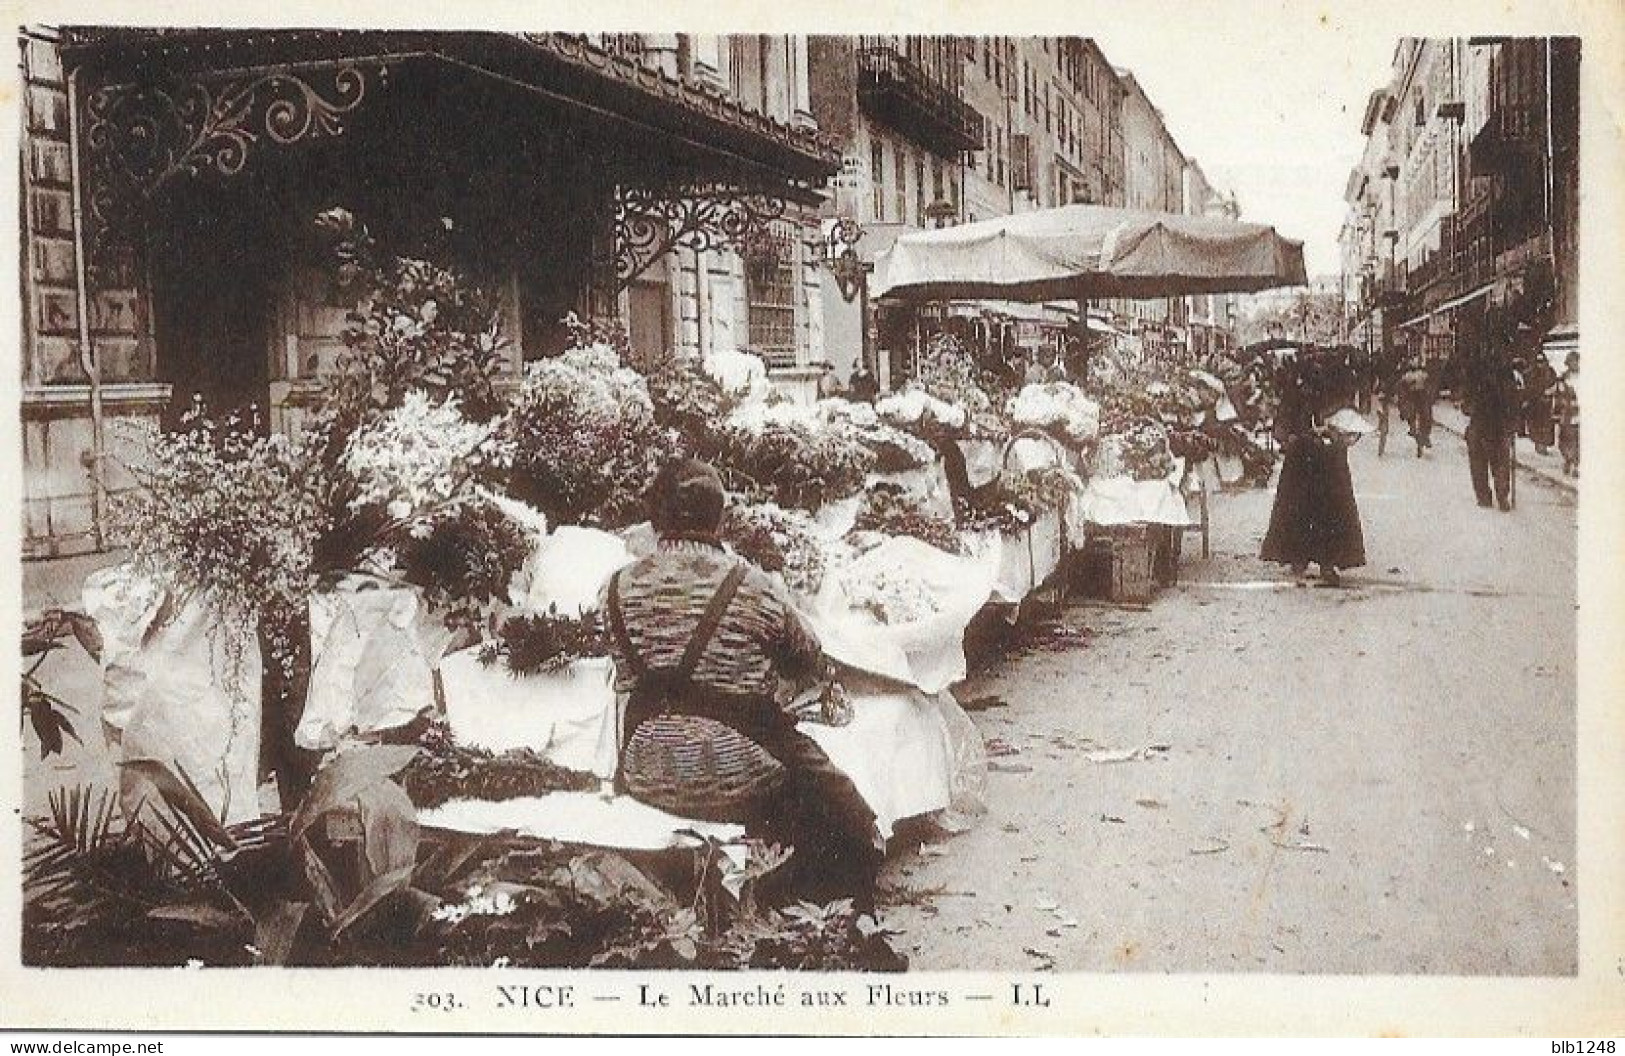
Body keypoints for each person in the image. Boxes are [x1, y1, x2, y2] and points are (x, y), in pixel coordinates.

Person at [600, 459, 882, 909]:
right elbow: (807, 657)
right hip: (735, 768)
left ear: (655, 520)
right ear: (719, 518)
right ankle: (804, 910)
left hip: (644, 765)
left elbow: (627, 680)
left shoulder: (614, 588)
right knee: (852, 823)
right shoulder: (755, 586)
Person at [1259, 351, 1367, 586]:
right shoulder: (1327, 389)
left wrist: (1294, 437)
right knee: (1322, 507)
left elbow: (1285, 422)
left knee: (1304, 505)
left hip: (1311, 456)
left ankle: (1310, 559)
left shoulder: (1301, 388)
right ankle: (1314, 559)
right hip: (1317, 456)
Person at [1463, 343, 1520, 511]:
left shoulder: (1474, 378)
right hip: (1499, 425)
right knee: (1501, 462)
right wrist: (1513, 422)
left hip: (1481, 424)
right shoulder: (1507, 377)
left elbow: (1466, 404)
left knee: (1478, 463)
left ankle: (1484, 497)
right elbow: (1513, 401)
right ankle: (1502, 496)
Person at [1397, 358, 1434, 457]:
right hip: (1418, 399)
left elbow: (1402, 391)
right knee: (1424, 418)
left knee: (1418, 418)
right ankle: (1423, 436)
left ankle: (1419, 435)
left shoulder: (1406, 377)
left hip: (1415, 399)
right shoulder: (1423, 375)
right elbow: (1429, 387)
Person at [1554, 349, 1580, 476]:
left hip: (1580, 413)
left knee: (1577, 439)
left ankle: (1576, 464)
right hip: (1566, 413)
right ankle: (1567, 459)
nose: (1574, 364)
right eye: (1571, 362)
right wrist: (1557, 411)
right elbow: (1558, 395)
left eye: (1576, 362)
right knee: (1564, 439)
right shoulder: (1563, 378)